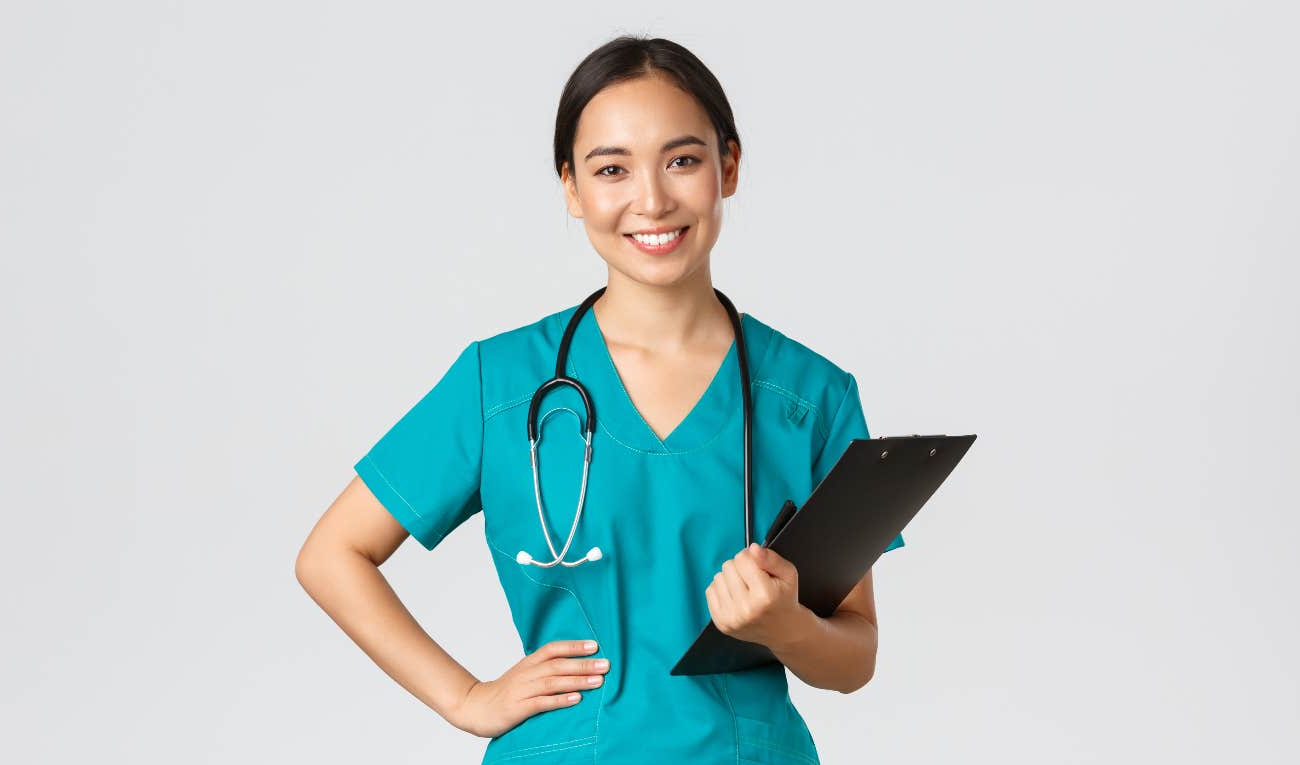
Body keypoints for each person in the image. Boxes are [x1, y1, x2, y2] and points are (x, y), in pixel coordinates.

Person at [295, 35, 904, 765]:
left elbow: (855, 655)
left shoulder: (811, 396)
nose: (651, 199)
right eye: (611, 169)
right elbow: (332, 554)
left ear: (728, 168)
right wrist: (464, 697)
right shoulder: (501, 382)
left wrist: (788, 627)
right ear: (572, 189)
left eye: (682, 160)